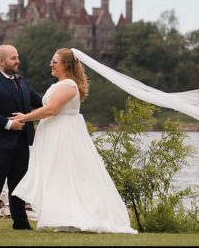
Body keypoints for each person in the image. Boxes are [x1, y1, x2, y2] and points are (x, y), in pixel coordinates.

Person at [10, 48, 138, 234]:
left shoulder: (68, 85)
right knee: (60, 176)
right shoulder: (61, 84)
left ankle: (79, 217)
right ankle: (65, 218)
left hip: (65, 135)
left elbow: (51, 110)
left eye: (55, 61)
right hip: (56, 133)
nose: (51, 64)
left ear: (66, 65)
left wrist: (24, 117)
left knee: (70, 174)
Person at [0, 44, 43, 230]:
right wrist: (9, 124)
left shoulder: (22, 81)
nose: (18, 61)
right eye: (13, 58)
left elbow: (39, 102)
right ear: (0, 61)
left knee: (20, 185)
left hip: (22, 142)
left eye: (17, 57)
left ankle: (21, 223)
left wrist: (61, 95)